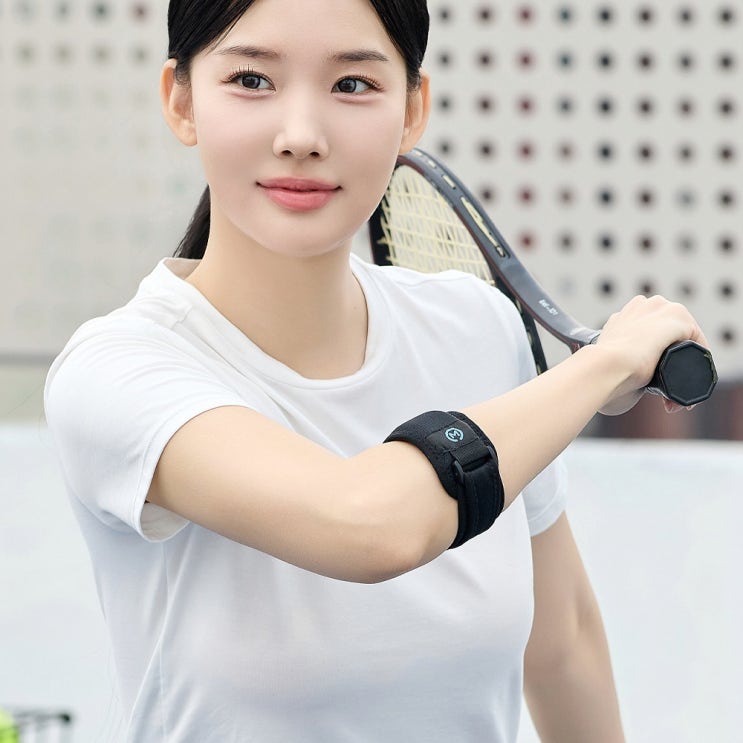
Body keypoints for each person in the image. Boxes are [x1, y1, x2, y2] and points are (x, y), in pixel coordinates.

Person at [44, 0, 708, 741]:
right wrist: (600, 369)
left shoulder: (476, 328)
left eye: (352, 85)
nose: (301, 136)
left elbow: (561, 642)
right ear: (181, 100)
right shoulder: (116, 373)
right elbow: (367, 525)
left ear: (413, 110)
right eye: (252, 80)